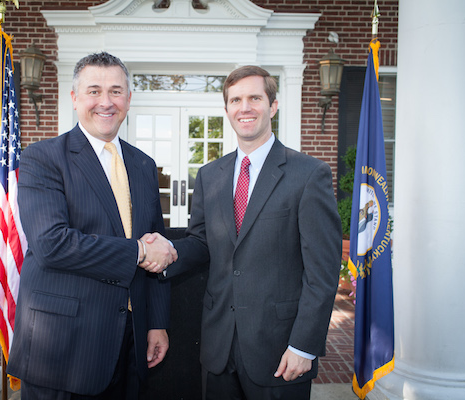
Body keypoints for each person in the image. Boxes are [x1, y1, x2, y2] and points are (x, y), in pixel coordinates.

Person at [143, 65, 341, 399]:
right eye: (236, 100)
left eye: (254, 98)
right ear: (226, 110)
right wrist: (168, 251)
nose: (244, 107)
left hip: (279, 350)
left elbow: (322, 272)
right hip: (218, 346)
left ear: (273, 106)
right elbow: (202, 242)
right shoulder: (209, 175)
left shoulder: (309, 175)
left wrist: (303, 346)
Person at [7, 52, 177, 400]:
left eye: (116, 91)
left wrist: (157, 322)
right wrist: (140, 251)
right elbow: (52, 244)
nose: (106, 102)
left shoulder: (144, 165)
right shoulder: (43, 158)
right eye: (94, 90)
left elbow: (154, 242)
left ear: (128, 99)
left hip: (129, 342)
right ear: (74, 99)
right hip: (63, 347)